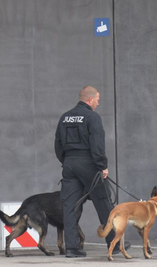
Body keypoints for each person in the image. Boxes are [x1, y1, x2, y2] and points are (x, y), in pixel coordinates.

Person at [54, 85, 127, 258]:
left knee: (70, 206)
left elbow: (58, 144)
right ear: (90, 99)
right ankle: (114, 243)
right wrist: (102, 165)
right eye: (97, 100)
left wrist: (67, 161)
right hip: (89, 163)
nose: (98, 104)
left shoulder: (65, 117)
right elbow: (97, 144)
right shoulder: (92, 117)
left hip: (69, 163)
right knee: (103, 201)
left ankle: (72, 248)